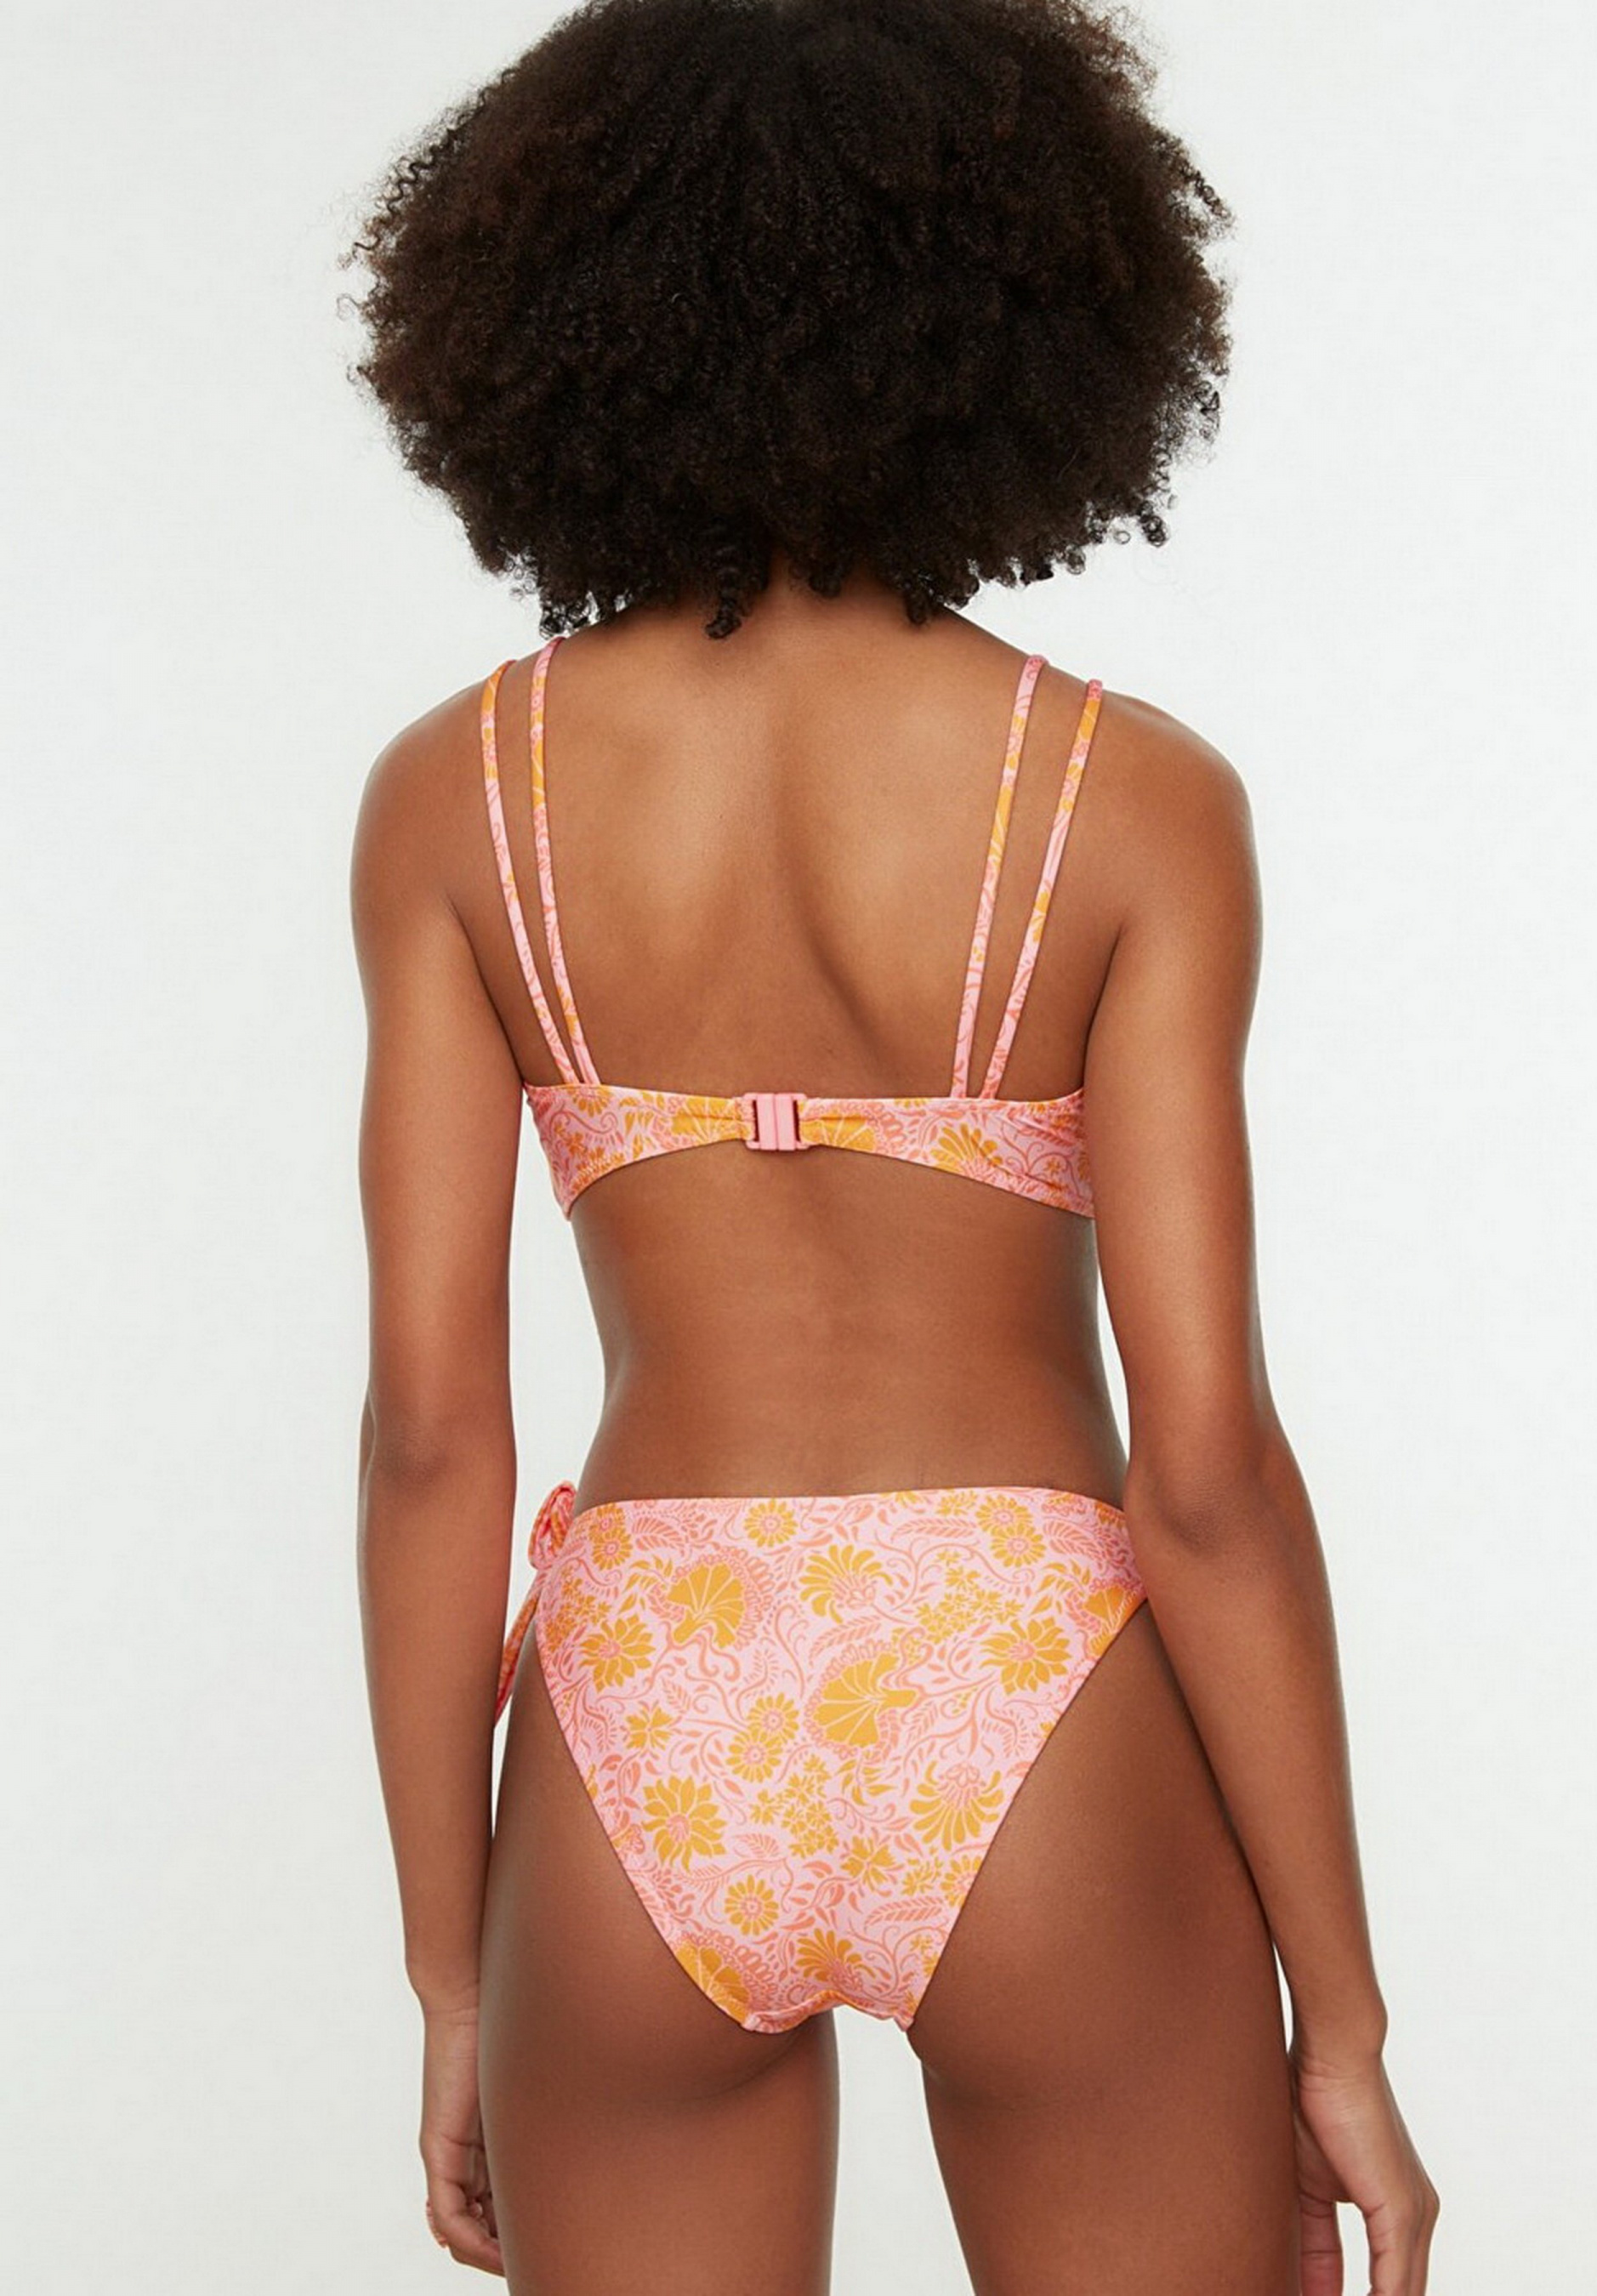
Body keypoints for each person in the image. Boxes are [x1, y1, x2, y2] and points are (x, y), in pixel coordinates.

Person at [344, 2, 1437, 2288]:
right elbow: (1207, 1470)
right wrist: (1337, 2022)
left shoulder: (459, 796)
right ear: (1016, 316)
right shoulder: (1128, 798)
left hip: (642, 1705)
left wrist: (454, 1976)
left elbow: (436, 1437)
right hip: (1030, 1689)